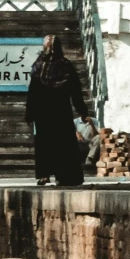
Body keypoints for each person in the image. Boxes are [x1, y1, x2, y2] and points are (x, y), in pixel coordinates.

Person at [25, 35, 89, 188]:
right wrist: (82, 110)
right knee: (62, 144)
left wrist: (30, 112)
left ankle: (44, 175)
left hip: (43, 112)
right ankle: (63, 176)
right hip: (60, 111)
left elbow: (32, 91)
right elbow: (75, 91)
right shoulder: (65, 66)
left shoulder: (38, 66)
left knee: (45, 144)